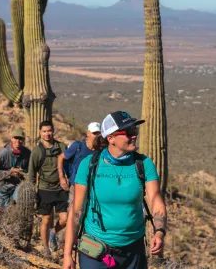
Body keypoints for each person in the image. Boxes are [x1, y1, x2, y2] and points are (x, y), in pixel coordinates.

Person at [63, 111, 167, 269]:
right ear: (110, 138)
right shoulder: (89, 164)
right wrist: (67, 254)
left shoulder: (144, 164)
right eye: (128, 132)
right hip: (96, 251)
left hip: (133, 252)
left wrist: (159, 232)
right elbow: (77, 210)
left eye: (135, 131)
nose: (134, 136)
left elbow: (156, 200)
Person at [28, 120, 68, 256]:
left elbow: (68, 165)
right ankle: (45, 247)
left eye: (49, 131)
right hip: (45, 189)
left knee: (65, 219)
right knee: (45, 219)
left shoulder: (62, 147)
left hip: (61, 188)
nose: (47, 134)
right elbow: (32, 173)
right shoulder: (37, 151)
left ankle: (54, 232)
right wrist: (32, 191)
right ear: (40, 133)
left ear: (53, 131)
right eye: (44, 131)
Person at [57, 122, 101, 203]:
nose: (97, 136)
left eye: (99, 134)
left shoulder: (101, 150)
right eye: (94, 133)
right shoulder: (78, 146)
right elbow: (61, 157)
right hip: (76, 185)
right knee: (75, 211)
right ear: (88, 134)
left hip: (94, 187)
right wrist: (61, 177)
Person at [0, 127, 31, 211]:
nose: (18, 141)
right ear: (11, 138)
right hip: (2, 187)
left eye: (20, 139)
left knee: (23, 202)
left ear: (23, 140)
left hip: (18, 186)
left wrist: (22, 172)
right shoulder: (2, 154)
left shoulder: (28, 153)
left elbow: (31, 170)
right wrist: (9, 173)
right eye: (16, 138)